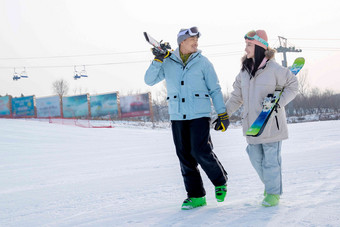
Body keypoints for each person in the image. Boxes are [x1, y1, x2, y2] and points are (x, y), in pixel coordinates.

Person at [144, 27, 230, 210]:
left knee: (200, 150)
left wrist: (222, 113)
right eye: (192, 39)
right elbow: (149, 80)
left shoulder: (203, 62)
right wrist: (158, 59)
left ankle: (220, 179)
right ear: (182, 41)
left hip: (199, 114)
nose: (196, 42)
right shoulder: (167, 62)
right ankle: (196, 196)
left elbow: (214, 89)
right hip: (177, 115)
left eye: (197, 39)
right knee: (184, 155)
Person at [223, 30, 298, 207]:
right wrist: (224, 114)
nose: (245, 48)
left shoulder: (275, 69)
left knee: (271, 161)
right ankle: (271, 184)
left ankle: (272, 193)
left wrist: (278, 103)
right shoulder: (244, 72)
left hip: (272, 123)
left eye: (249, 45)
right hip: (252, 124)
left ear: (258, 47)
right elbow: (236, 97)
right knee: (255, 157)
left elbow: (293, 86)